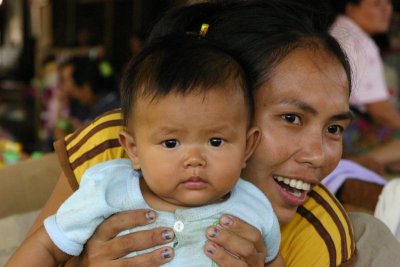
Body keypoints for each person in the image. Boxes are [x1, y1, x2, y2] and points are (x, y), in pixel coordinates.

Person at [11, 0, 400, 266]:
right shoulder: (120, 145)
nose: (320, 155)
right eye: (292, 118)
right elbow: (38, 248)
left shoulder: (318, 233)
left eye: (334, 128)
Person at [8, 34, 284, 266]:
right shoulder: (109, 191)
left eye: (215, 142)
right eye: (171, 143)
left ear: (247, 147)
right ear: (133, 149)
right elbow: (46, 245)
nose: (195, 160)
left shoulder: (254, 207)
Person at [330, 0, 400, 174]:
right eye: (377, 4)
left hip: (331, 125)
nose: (386, 11)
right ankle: (352, 165)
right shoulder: (358, 42)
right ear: (351, 7)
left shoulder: (338, 32)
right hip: (345, 130)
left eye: (388, 4)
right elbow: (380, 111)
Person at [54, 56, 120, 140]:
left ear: (86, 88)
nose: (67, 89)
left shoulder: (109, 111)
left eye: (65, 80)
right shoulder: (94, 107)